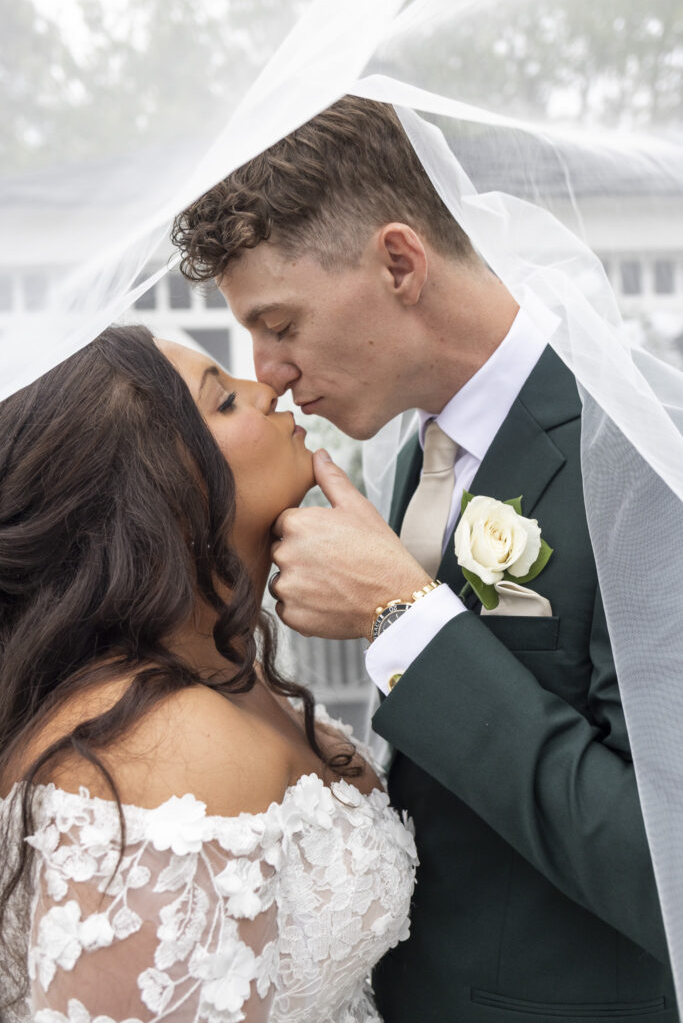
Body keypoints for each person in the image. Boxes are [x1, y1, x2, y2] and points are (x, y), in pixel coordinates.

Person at [172, 96, 678, 1022]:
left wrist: (402, 618)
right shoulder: (415, 455)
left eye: (279, 322)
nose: (266, 369)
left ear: (399, 263)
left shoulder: (638, 452)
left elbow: (664, 865)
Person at [0, 325, 417, 1023]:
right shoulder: (165, 747)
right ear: (155, 489)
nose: (267, 389)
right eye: (223, 400)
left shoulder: (224, 685)